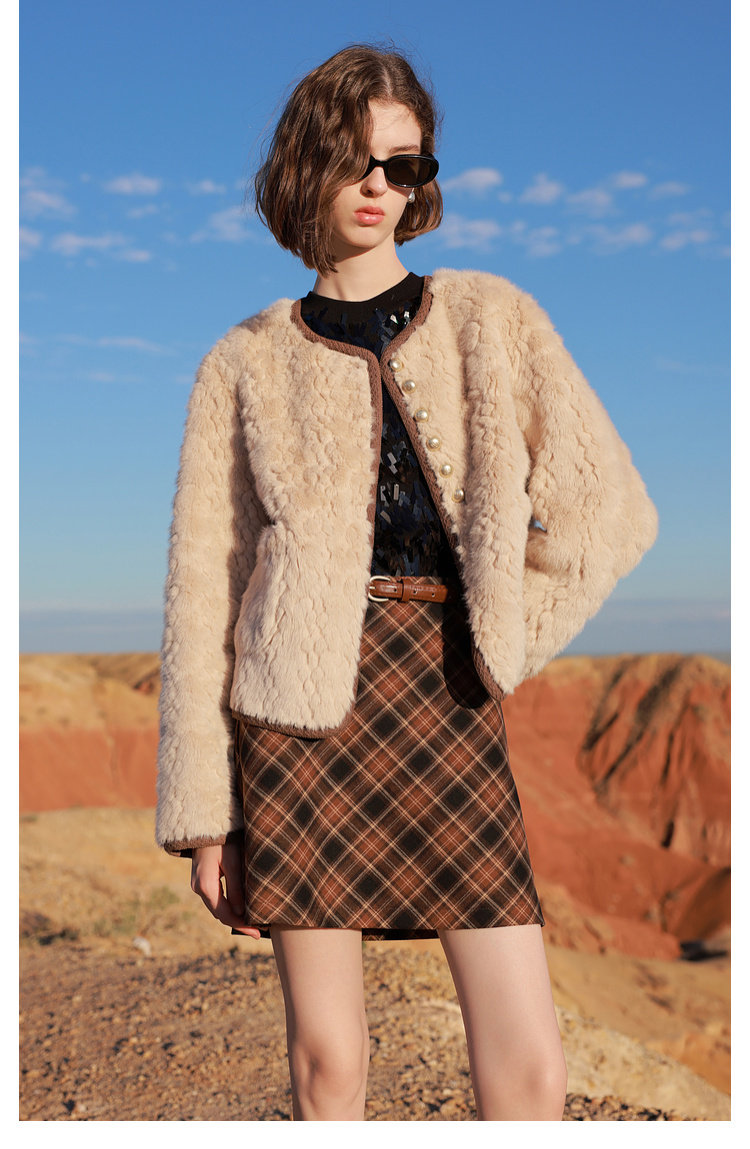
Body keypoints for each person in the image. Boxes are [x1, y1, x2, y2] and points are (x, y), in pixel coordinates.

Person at [156, 44, 658, 1121]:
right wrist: (205, 818)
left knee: (530, 1061)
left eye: (405, 164)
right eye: (355, 158)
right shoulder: (242, 361)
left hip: (447, 694)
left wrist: (501, 631)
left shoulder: (490, 318)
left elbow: (609, 512)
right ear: (305, 165)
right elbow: (204, 596)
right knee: (328, 1061)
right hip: (296, 721)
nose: (380, 185)